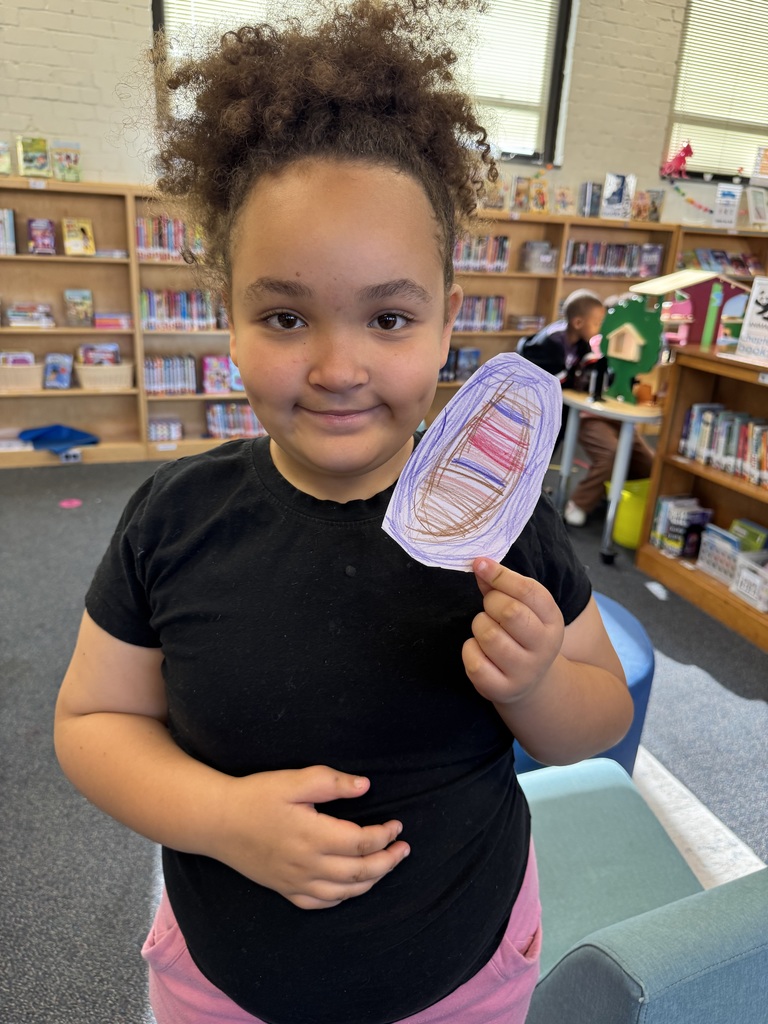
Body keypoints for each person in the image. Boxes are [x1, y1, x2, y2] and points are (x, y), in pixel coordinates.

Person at [53, 4, 633, 1024]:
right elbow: (94, 720)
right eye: (284, 317)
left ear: (450, 320)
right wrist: (222, 817)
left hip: (460, 975)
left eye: (389, 317)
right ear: (225, 314)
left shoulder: (501, 521)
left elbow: (600, 719)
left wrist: (538, 681)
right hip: (221, 983)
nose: (336, 367)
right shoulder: (173, 518)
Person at [519, 290, 654, 526]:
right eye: (597, 323)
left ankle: (535, 492)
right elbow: (548, 376)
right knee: (532, 450)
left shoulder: (583, 343)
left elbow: (579, 371)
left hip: (561, 409)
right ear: (579, 322)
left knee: (550, 449)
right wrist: (575, 376)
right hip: (536, 407)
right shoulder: (551, 342)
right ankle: (524, 496)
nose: (601, 328)